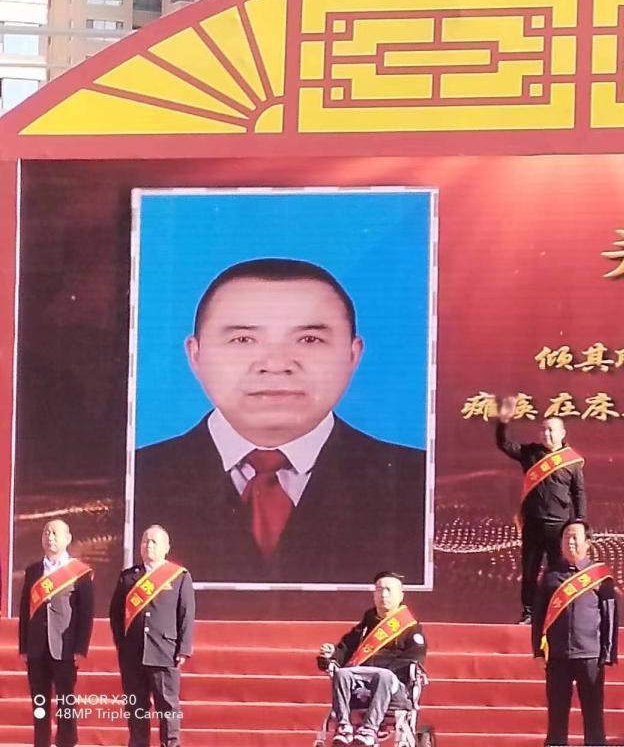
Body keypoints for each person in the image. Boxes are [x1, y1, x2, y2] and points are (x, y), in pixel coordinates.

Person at [133, 258, 426, 585]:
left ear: (352, 354)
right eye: (243, 340)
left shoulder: (417, 483)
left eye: (309, 339)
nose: (275, 364)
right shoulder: (134, 478)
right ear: (195, 354)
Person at [496, 394, 586, 624]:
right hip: (533, 523)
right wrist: (503, 421)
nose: (547, 434)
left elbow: (578, 493)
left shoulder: (572, 462)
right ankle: (529, 612)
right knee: (530, 571)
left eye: (551, 430)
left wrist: (580, 522)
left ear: (562, 433)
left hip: (559, 526)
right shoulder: (531, 453)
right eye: (543, 430)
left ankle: (557, 610)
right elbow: (504, 445)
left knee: (558, 571)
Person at [317, 571, 427, 746]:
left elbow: (415, 657)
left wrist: (380, 671)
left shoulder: (410, 628)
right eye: (379, 590)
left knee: (383, 676)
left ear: (400, 596)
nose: (384, 594)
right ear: (374, 595)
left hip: (393, 686)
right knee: (342, 674)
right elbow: (345, 648)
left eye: (389, 590)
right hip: (361, 684)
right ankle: (344, 727)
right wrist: (330, 656)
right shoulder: (365, 626)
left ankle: (369, 730)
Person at [533, 520, 617, 747]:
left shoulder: (599, 576)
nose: (570, 542)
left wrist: (608, 652)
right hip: (557, 656)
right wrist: (538, 651)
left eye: (574, 537)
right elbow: (539, 615)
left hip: (590, 655)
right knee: (557, 715)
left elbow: (609, 615)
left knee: (593, 715)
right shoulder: (550, 575)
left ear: (587, 542)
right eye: (565, 537)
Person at [109, 525, 195, 747]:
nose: (149, 545)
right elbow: (115, 615)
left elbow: (186, 613)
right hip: (133, 655)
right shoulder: (128, 577)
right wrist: (122, 644)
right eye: (145, 541)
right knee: (136, 708)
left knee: (167, 708)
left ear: (166, 547)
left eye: (154, 541)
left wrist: (183, 648)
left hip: (164, 652)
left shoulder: (179, 577)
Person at [18, 519, 94, 747]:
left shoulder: (79, 573)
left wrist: (80, 648)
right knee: (39, 704)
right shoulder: (33, 571)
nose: (49, 537)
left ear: (68, 539)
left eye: (54, 533)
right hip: (37, 649)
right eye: (46, 533)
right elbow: (24, 611)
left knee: (65, 703)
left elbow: (86, 613)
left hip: (65, 648)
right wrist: (24, 646)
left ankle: (66, 742)